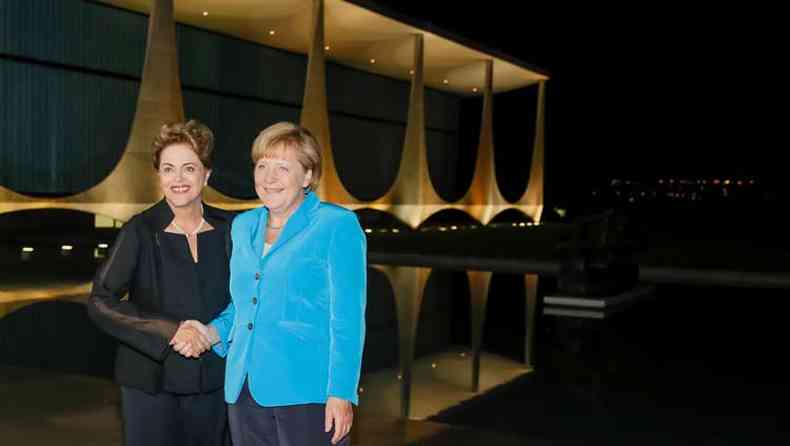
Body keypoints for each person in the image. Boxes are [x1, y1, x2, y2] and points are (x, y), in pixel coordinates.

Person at [173, 122, 366, 446]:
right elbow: (244, 304)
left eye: (282, 167)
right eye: (262, 166)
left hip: (307, 391)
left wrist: (341, 392)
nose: (268, 177)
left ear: (307, 176)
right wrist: (211, 333)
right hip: (243, 386)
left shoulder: (337, 225)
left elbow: (347, 318)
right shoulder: (244, 226)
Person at [87, 120, 233, 446]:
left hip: (214, 380)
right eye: (168, 169)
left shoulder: (231, 230)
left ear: (207, 174)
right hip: (149, 384)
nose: (178, 179)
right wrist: (170, 330)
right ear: (159, 176)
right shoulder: (139, 230)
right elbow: (100, 300)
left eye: (188, 168)